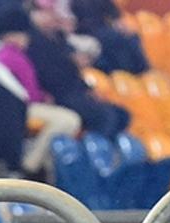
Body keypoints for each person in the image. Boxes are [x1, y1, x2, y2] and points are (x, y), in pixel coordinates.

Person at [0, 8, 81, 181]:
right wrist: (43, 98)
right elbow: (29, 94)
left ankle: (40, 168)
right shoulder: (11, 57)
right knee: (69, 120)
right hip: (19, 108)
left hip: (12, 108)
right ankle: (30, 165)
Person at [28, 0, 130, 139]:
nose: (51, 17)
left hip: (75, 90)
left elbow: (73, 72)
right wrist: (71, 64)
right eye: (45, 13)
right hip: (60, 94)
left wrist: (87, 89)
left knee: (121, 113)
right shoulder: (34, 44)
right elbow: (49, 76)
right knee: (105, 116)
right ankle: (93, 151)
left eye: (51, 13)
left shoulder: (58, 37)